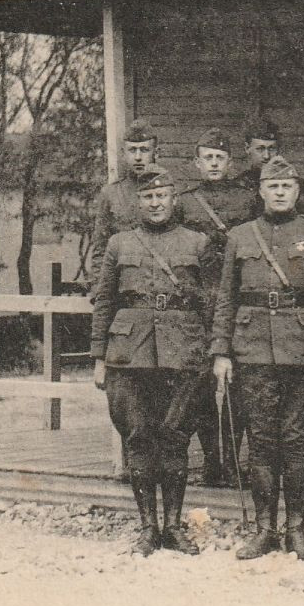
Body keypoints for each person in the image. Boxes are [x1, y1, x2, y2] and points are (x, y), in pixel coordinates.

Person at [210, 156, 304, 560]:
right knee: (263, 443)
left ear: (298, 190)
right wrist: (221, 350)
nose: (281, 192)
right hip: (251, 352)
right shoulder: (240, 236)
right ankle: (265, 529)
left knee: (296, 441)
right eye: (273, 186)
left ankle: (297, 529)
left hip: (302, 354)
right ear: (261, 191)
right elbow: (226, 298)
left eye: (287, 186)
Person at [89, 164, 212, 557]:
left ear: (174, 199)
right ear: (137, 202)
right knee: (138, 438)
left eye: (162, 196)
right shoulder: (119, 244)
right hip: (128, 355)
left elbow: (211, 306)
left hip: (183, 355)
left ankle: (174, 527)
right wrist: (98, 357)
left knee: (175, 438)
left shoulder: (197, 243)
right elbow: (105, 301)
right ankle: (148, 527)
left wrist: (214, 353)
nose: (155, 203)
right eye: (148, 197)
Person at [177, 127, 258, 485]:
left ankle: (234, 460)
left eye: (220, 158)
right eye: (207, 157)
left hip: (238, 302)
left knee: (240, 386)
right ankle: (213, 461)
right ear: (197, 162)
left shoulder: (247, 200)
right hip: (200, 302)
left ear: (230, 162)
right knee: (201, 386)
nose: (213, 163)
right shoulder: (186, 202)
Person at [88, 120, 181, 281]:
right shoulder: (111, 194)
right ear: (124, 153)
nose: (138, 157)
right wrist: (99, 289)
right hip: (123, 283)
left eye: (144, 150)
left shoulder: (170, 192)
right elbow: (100, 250)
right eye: (132, 150)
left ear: (156, 153)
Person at [235, 119, 281, 197]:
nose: (267, 156)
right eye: (260, 149)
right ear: (247, 148)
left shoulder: (292, 183)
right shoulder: (239, 184)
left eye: (272, 149)